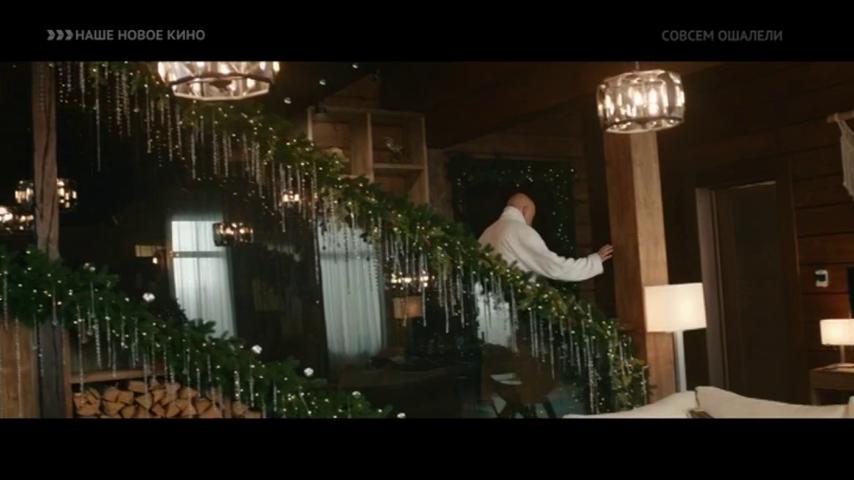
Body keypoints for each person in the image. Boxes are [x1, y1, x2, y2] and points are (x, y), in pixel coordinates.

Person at [479, 192, 613, 281]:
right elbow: (553, 266)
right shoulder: (520, 230)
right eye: (532, 216)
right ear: (525, 210)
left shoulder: (487, 232)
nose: (531, 223)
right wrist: (593, 261)